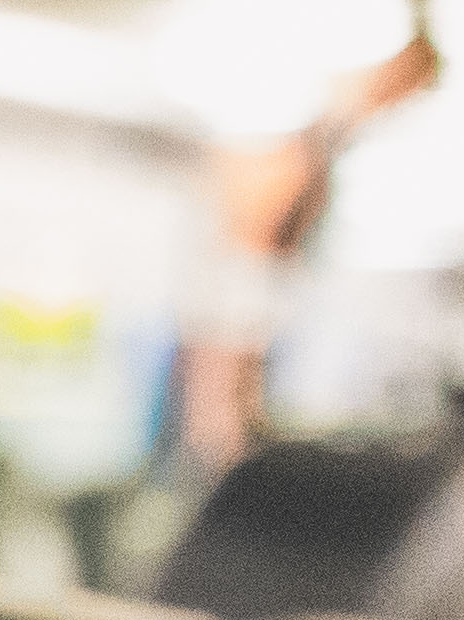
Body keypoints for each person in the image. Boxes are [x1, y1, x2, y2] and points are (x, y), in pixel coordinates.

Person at [174, 7, 439, 464]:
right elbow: (247, 233)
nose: (396, 106)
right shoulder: (287, 117)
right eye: (404, 90)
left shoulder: (328, 133)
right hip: (237, 272)